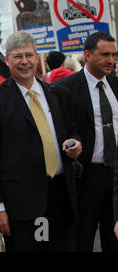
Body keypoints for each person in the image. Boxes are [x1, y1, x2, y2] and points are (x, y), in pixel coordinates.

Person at [0, 31, 82, 252]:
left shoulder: (58, 93)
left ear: (38, 58)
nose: (24, 62)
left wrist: (75, 143)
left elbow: (73, 130)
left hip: (63, 196)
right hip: (23, 204)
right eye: (17, 56)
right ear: (7, 60)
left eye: (29, 55)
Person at [57, 31, 118, 252]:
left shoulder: (115, 84)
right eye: (104, 55)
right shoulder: (66, 87)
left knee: (114, 240)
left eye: (113, 55)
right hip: (86, 177)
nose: (111, 60)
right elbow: (63, 128)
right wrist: (73, 144)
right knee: (82, 240)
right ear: (87, 55)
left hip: (116, 178)